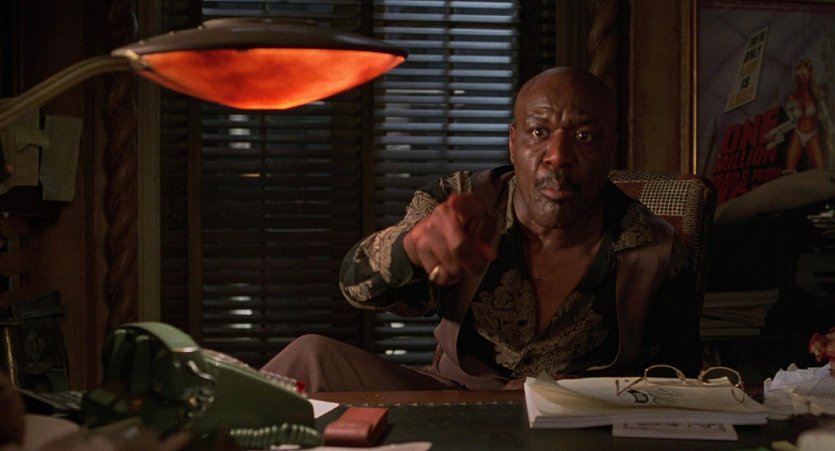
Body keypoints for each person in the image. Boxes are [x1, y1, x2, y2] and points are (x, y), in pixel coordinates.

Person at [261, 67, 701, 391]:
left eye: (584, 137)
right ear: (513, 143)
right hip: (452, 403)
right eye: (538, 132)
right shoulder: (458, 203)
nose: (558, 156)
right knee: (310, 357)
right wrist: (413, 247)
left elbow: (676, 385)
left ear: (611, 151)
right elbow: (356, 286)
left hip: (576, 428)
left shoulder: (657, 250)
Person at [783, 58, 832, 173]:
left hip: (812, 134)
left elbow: (825, 117)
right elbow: (791, 120)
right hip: (798, 134)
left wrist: (832, 132)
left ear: (810, 74)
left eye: (806, 73)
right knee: (789, 170)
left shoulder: (817, 94)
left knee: (820, 170)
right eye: (801, 73)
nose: (804, 76)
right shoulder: (792, 96)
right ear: (797, 76)